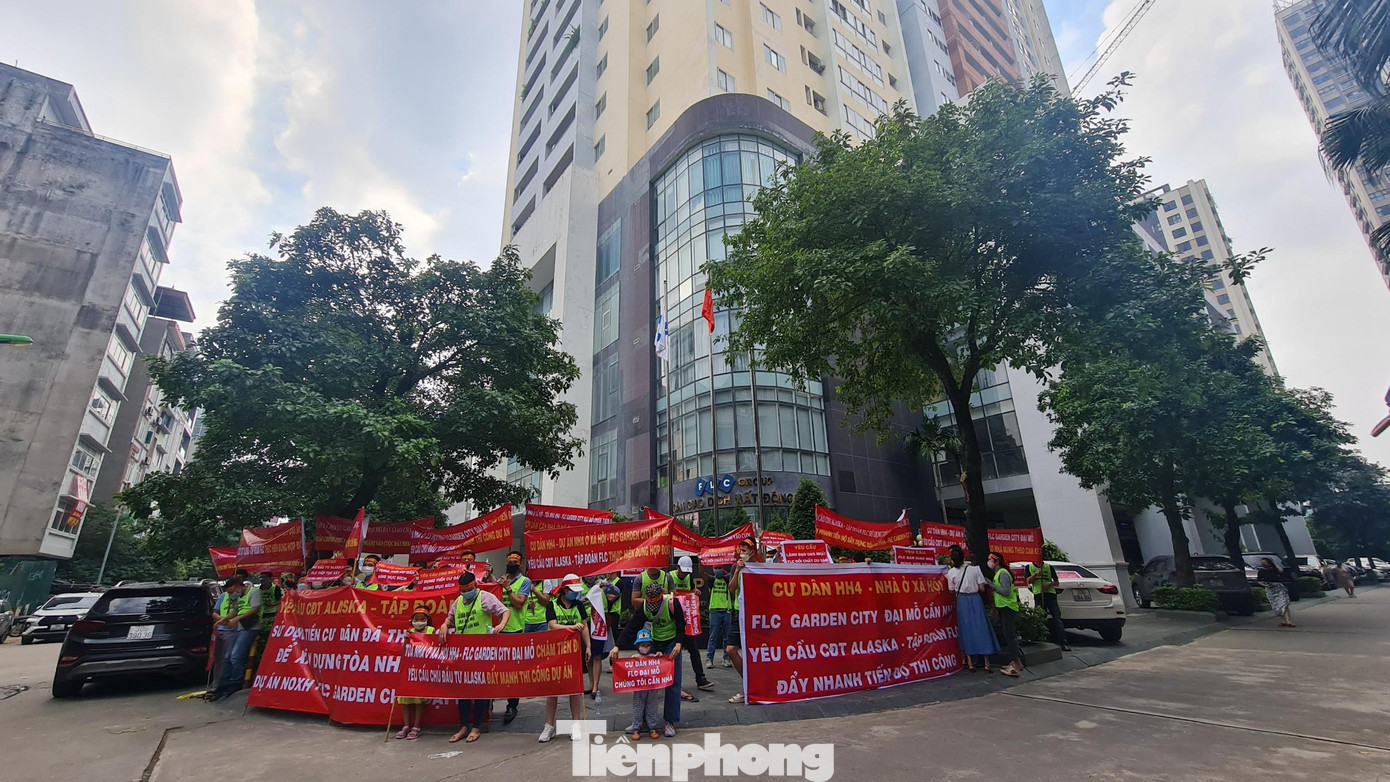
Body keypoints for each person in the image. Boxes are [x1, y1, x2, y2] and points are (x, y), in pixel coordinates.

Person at [611, 582, 688, 737]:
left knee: (672, 681)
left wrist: (679, 644)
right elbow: (632, 627)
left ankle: (670, 721)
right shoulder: (644, 607)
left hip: (671, 642)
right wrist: (617, 646)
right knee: (645, 681)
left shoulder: (672, 603)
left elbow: (681, 625)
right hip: (653, 641)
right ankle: (643, 721)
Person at [444, 572, 510, 743]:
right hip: (463, 654)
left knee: (481, 691)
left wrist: (500, 626)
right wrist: (444, 625)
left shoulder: (484, 598)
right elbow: (450, 620)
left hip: (482, 652)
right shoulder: (458, 602)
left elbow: (505, 611)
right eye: (463, 590)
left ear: (476, 586)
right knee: (463, 692)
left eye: (469, 589)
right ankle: (464, 726)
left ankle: (477, 727)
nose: (466, 592)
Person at [539, 574, 592, 743]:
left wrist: (588, 646)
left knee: (574, 689)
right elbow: (553, 625)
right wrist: (571, 627)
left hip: (574, 651)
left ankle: (576, 725)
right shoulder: (552, 605)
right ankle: (549, 726)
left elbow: (584, 626)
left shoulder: (578, 605)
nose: (574, 594)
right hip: (555, 652)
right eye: (572, 591)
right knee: (553, 690)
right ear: (565, 589)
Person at [495, 550, 538, 724]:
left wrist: (507, 588)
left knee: (512, 671)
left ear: (520, 564)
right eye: (509, 560)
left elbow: (519, 604)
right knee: (496, 669)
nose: (512, 563)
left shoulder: (524, 581)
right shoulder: (502, 579)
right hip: (498, 629)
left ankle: (512, 705)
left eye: (515, 560)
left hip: (515, 629)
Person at [207, 577, 261, 701]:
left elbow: (254, 609)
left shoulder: (254, 592)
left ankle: (236, 683)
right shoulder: (236, 595)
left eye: (232, 591)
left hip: (251, 627)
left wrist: (236, 619)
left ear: (237, 587)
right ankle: (223, 685)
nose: (232, 594)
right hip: (239, 627)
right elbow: (235, 610)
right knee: (227, 657)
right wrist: (222, 620)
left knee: (236, 656)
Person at [947, 545, 998, 673]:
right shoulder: (975, 569)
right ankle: (987, 663)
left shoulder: (951, 572)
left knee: (966, 629)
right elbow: (982, 588)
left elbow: (951, 590)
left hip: (962, 601)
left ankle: (970, 663)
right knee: (982, 628)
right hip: (975, 599)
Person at [671, 555, 714, 694]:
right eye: (684, 571)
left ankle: (700, 679)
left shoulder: (689, 578)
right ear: (678, 567)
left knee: (694, 649)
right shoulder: (669, 577)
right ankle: (672, 681)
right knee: (673, 652)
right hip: (672, 620)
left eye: (688, 572)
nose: (685, 574)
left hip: (685, 620)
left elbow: (692, 592)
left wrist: (695, 592)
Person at [724, 536, 759, 703]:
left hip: (757, 614)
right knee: (731, 650)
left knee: (756, 654)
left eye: (744, 550)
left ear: (752, 551)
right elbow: (731, 588)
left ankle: (751, 689)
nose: (741, 553)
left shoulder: (760, 567)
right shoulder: (735, 567)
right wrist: (738, 570)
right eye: (740, 550)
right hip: (739, 613)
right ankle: (749, 684)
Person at [394, 605, 436, 741]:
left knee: (419, 701)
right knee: (405, 702)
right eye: (416, 619)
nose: (419, 621)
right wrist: (406, 640)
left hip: (422, 671)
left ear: (427, 620)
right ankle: (406, 726)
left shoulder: (431, 631)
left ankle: (416, 727)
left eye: (422, 619)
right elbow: (402, 653)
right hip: (409, 671)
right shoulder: (409, 632)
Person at [984, 551, 1024, 677]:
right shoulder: (998, 574)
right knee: (1008, 635)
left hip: (1008, 607)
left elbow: (1005, 591)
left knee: (1010, 636)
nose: (989, 562)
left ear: (997, 562)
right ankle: (1015, 662)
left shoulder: (1003, 574)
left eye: (991, 560)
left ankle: (1016, 664)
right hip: (1003, 607)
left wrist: (991, 585)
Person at [584, 575, 621, 703]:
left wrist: (608, 585)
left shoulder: (601, 585)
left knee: (597, 656)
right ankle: (590, 682)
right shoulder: (579, 586)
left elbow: (616, 592)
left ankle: (595, 685)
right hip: (585, 623)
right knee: (588, 656)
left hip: (599, 622)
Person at [624, 628, 664, 740]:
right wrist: (634, 658)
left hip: (652, 687)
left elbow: (660, 662)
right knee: (638, 707)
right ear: (637, 646)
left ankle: (653, 728)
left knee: (652, 707)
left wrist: (659, 655)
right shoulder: (635, 657)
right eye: (642, 645)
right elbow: (628, 664)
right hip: (639, 687)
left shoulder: (653, 657)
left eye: (647, 645)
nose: (645, 647)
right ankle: (636, 728)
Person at [1025, 561, 1070, 651]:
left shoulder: (1048, 567)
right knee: (1041, 619)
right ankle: (1044, 641)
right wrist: (1036, 574)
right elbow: (1028, 581)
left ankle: (1063, 642)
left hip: (1050, 595)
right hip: (1038, 594)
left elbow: (1056, 582)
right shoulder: (1028, 567)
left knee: (1057, 619)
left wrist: (1049, 585)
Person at [705, 562, 734, 669]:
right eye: (716, 568)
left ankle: (726, 658)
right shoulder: (712, 580)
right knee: (713, 637)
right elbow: (702, 573)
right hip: (714, 611)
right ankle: (709, 658)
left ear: (723, 568)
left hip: (726, 611)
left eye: (720, 568)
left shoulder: (727, 579)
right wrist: (701, 560)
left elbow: (734, 572)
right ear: (712, 570)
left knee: (727, 637)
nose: (718, 570)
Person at [1257, 557, 1296, 627]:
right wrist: (1266, 585)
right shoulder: (1261, 571)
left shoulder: (1274, 569)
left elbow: (1281, 570)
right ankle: (1284, 620)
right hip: (1270, 590)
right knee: (1276, 606)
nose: (1263, 564)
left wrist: (1274, 563)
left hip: (1279, 587)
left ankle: (1288, 621)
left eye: (1265, 562)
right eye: (1262, 562)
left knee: (1284, 604)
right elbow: (1259, 581)